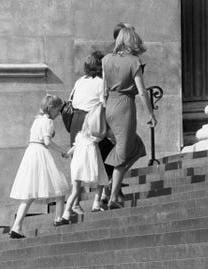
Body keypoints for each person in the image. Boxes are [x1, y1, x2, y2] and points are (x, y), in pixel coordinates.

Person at [102, 26, 157, 209]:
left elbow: (103, 90)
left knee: (136, 146)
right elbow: (142, 92)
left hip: (110, 104)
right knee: (123, 153)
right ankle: (113, 196)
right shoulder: (134, 61)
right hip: (125, 106)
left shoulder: (106, 59)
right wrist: (151, 113)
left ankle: (112, 186)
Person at [9, 94, 70, 238]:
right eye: (58, 110)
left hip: (31, 152)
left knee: (29, 194)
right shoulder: (48, 121)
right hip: (41, 152)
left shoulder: (37, 120)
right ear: (51, 108)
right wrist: (64, 151)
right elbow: (47, 142)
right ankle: (58, 218)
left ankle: (16, 226)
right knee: (60, 186)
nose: (59, 114)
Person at [67, 51, 114, 213]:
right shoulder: (101, 82)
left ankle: (76, 202)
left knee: (79, 162)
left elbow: (71, 101)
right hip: (92, 121)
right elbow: (104, 105)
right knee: (103, 157)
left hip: (76, 121)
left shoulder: (80, 81)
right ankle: (99, 198)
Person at [56, 105, 108, 225]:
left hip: (77, 166)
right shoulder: (96, 137)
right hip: (91, 164)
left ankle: (66, 213)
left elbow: (75, 147)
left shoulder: (80, 135)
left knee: (75, 191)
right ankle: (96, 203)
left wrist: (68, 153)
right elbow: (105, 133)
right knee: (101, 181)